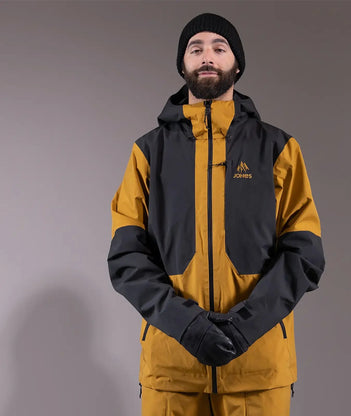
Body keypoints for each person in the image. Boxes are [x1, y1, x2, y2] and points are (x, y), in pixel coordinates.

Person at [107, 12, 325, 416]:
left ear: (237, 64)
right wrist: (187, 326)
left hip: (258, 370)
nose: (207, 56)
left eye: (219, 48)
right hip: (172, 370)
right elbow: (126, 257)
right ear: (182, 65)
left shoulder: (278, 149)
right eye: (196, 49)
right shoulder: (148, 153)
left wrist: (246, 326)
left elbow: (305, 254)